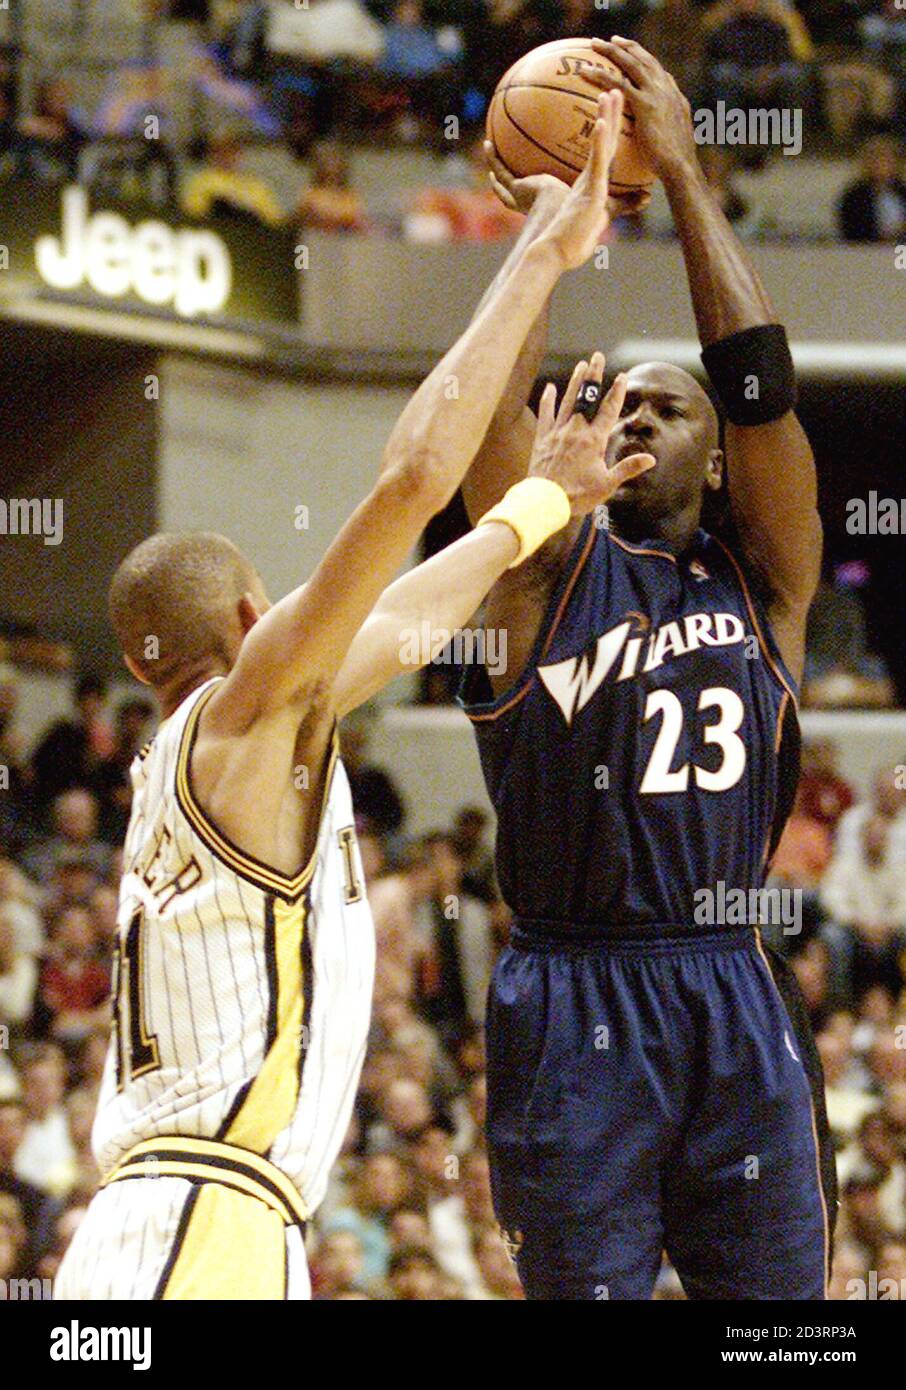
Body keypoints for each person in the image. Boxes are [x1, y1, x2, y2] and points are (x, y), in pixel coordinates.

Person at [54, 91, 656, 1301]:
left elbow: (411, 614)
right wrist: (540, 251)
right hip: (196, 1224)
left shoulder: (220, 751)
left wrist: (539, 507)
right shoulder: (244, 714)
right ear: (251, 623)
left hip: (183, 1225)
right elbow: (408, 479)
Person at [456, 36, 832, 1299]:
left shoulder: (764, 580)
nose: (630, 414)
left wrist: (680, 175)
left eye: (666, 408)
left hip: (729, 982)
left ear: (717, 460)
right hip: (570, 994)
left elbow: (765, 388)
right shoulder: (536, 575)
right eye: (615, 398)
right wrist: (548, 240)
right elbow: (482, 441)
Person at [837, 135, 906, 244]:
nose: (882, 166)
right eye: (877, 161)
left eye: (887, 161)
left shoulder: (902, 192)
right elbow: (850, 230)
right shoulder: (854, 196)